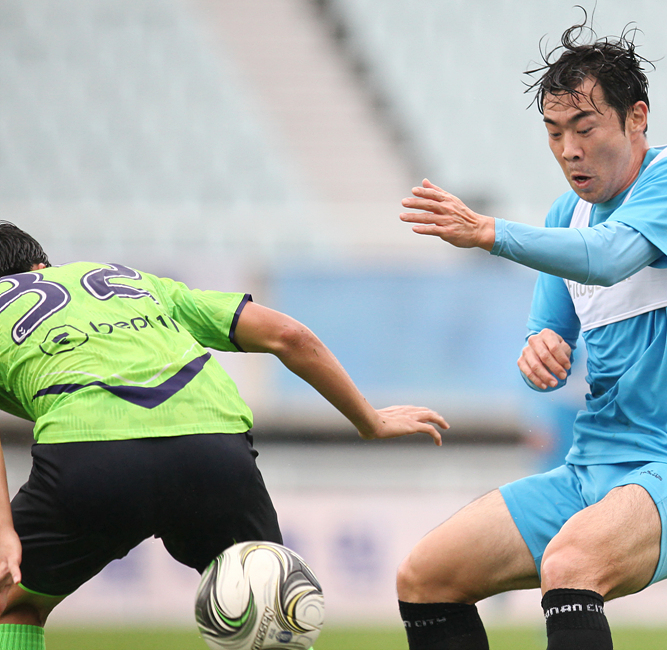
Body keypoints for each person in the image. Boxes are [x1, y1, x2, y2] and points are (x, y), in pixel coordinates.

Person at [395, 17, 667, 650]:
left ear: (637, 118)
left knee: (571, 563)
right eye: (554, 133)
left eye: (584, 128)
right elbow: (546, 338)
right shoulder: (567, 215)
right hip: (591, 471)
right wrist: (539, 351)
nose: (568, 149)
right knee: (427, 575)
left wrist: (490, 233)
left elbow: (608, 257)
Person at [0, 221, 448, 650]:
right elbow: (288, 335)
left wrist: (4, 531)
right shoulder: (127, 280)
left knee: (14, 602)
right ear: (42, 265)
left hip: (93, 459)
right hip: (214, 453)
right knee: (271, 605)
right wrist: (370, 421)